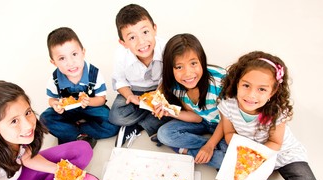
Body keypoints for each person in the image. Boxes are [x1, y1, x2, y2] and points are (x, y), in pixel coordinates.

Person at [217, 51, 319, 180]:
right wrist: (245, 155)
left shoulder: (276, 112)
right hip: (248, 154)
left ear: (272, 92)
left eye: (261, 89)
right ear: (237, 82)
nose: (251, 95)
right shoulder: (228, 104)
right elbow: (229, 134)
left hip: (280, 153)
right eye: (246, 85)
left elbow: (275, 142)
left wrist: (255, 161)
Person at [154, 33, 227, 170]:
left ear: (202, 61)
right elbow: (197, 118)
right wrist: (169, 111)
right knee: (164, 134)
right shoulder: (175, 85)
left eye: (193, 63)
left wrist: (210, 146)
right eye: (179, 67)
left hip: (224, 125)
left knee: (227, 161)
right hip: (203, 122)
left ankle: (187, 151)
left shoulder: (219, 81)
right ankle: (207, 148)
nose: (188, 74)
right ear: (171, 68)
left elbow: (227, 120)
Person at [40, 27, 119, 148]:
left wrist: (89, 101)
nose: (70, 63)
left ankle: (73, 131)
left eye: (74, 54)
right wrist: (56, 104)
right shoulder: (55, 78)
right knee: (45, 119)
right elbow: (52, 99)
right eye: (62, 58)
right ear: (54, 62)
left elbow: (101, 99)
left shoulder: (94, 74)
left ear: (83, 52)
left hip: (91, 107)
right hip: (67, 110)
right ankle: (80, 136)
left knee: (112, 123)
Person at [108, 4, 170, 147]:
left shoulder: (166, 47)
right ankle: (151, 120)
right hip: (135, 90)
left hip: (162, 88)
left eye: (145, 32)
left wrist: (159, 94)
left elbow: (169, 76)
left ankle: (140, 124)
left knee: (177, 108)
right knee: (115, 115)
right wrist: (129, 96)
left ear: (154, 29)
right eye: (132, 38)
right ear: (123, 43)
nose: (141, 42)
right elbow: (120, 81)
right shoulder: (120, 55)